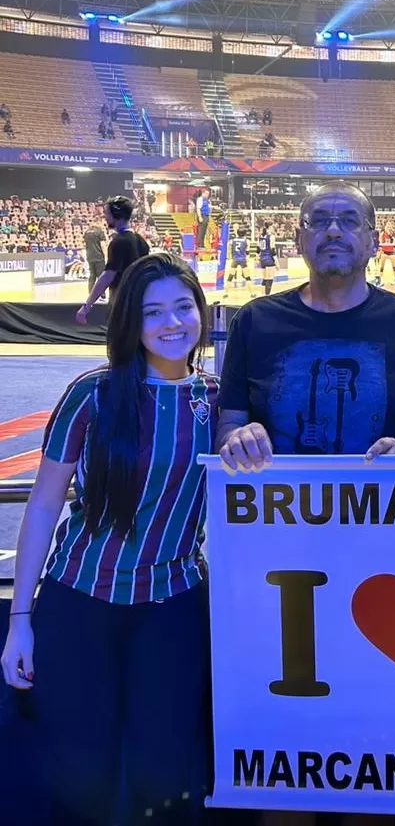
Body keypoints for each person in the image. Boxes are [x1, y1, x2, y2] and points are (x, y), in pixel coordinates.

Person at [1, 254, 218, 825]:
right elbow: (45, 504)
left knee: (165, 771)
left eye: (182, 306)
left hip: (173, 608)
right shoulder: (93, 395)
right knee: (79, 771)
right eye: (152, 312)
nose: (172, 322)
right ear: (130, 323)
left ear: (201, 312)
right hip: (78, 604)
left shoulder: (219, 404)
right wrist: (20, 620)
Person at [216, 180, 395, 470]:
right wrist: (238, 440)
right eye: (318, 221)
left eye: (350, 221)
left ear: (374, 240)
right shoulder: (253, 321)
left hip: (383, 509)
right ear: (297, 239)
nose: (332, 231)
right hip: (279, 509)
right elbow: (228, 428)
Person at [76, 196, 150, 323]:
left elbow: (107, 276)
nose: (105, 217)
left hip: (121, 303)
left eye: (107, 213)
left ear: (117, 215)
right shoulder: (141, 241)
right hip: (139, 302)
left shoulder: (118, 242)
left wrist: (87, 306)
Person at [83, 221, 107, 297]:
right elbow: (102, 245)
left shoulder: (86, 232)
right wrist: (106, 255)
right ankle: (102, 294)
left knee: (92, 275)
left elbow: (85, 244)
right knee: (101, 276)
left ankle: (90, 294)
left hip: (90, 256)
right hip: (98, 256)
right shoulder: (99, 232)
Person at [258, 223, 278, 296]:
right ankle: (267, 296)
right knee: (269, 279)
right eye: (272, 227)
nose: (273, 228)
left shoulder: (260, 236)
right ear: (269, 228)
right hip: (269, 258)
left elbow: (258, 249)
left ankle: (262, 295)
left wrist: (258, 257)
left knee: (265, 278)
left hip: (262, 259)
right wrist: (276, 261)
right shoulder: (271, 236)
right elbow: (272, 250)